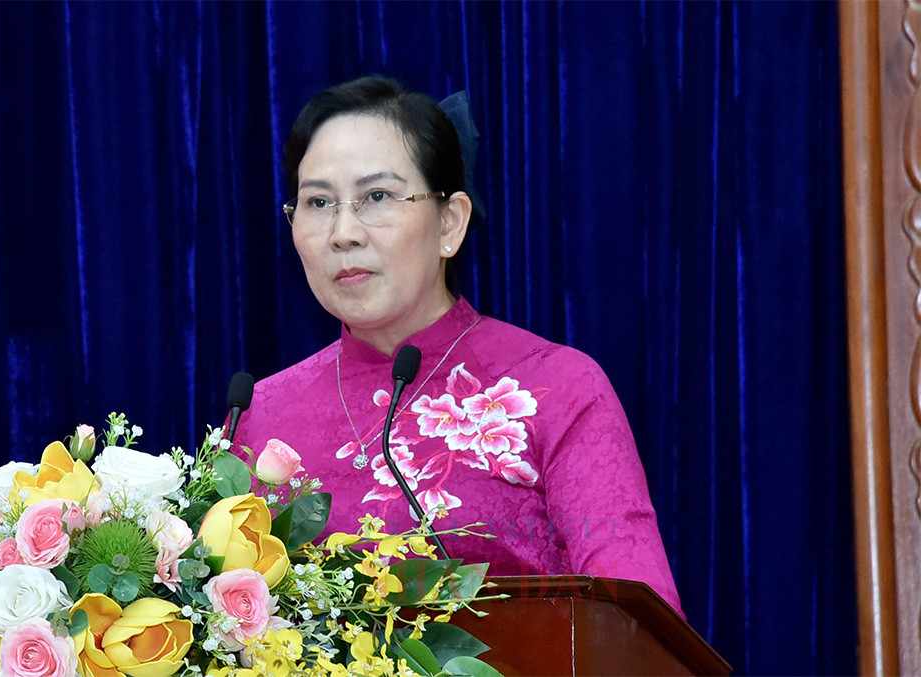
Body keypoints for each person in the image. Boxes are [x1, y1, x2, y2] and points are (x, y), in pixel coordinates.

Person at [235, 75, 682, 613]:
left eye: (376, 196)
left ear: (451, 222)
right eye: (318, 203)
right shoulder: (262, 413)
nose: (343, 232)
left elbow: (638, 621)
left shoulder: (557, 388)